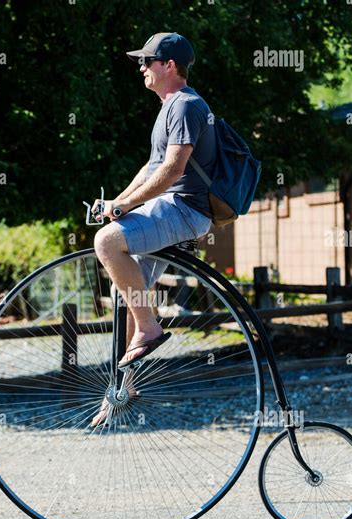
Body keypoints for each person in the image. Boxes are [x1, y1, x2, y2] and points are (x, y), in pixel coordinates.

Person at [91, 32, 216, 426]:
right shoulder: (168, 108)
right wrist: (117, 201)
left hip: (184, 209)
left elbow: (173, 170)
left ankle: (149, 327)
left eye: (148, 61)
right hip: (170, 205)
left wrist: (126, 207)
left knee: (107, 242)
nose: (142, 67)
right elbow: (150, 169)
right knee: (126, 289)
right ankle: (120, 389)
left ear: (170, 66)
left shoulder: (186, 105)